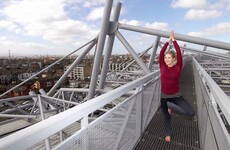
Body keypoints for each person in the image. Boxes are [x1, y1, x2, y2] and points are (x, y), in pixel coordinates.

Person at [159, 31, 195, 142]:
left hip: (176, 95)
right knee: (166, 117)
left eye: (169, 58)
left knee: (191, 113)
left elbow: (179, 53)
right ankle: (168, 133)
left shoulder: (178, 67)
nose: (166, 59)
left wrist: (174, 41)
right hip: (164, 96)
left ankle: (172, 107)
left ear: (173, 59)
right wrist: (167, 42)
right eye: (166, 58)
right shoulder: (162, 66)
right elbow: (161, 53)